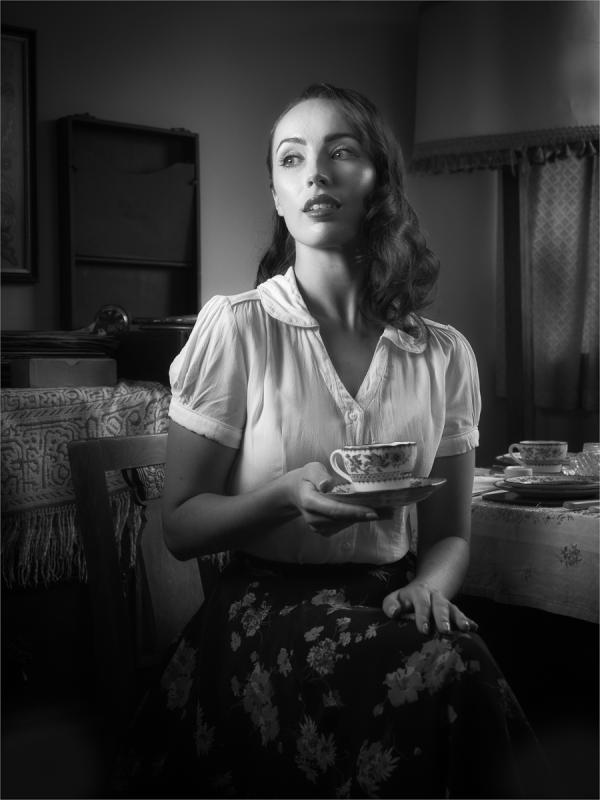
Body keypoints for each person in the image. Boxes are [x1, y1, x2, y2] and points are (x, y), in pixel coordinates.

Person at [116, 83, 549, 799]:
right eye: (292, 159)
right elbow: (179, 527)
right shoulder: (239, 328)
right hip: (262, 614)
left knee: (471, 658)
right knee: (451, 672)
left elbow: (449, 535)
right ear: (278, 196)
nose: (314, 173)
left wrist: (428, 589)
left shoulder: (442, 354)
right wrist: (284, 496)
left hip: (391, 598)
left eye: (340, 153)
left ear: (380, 181)